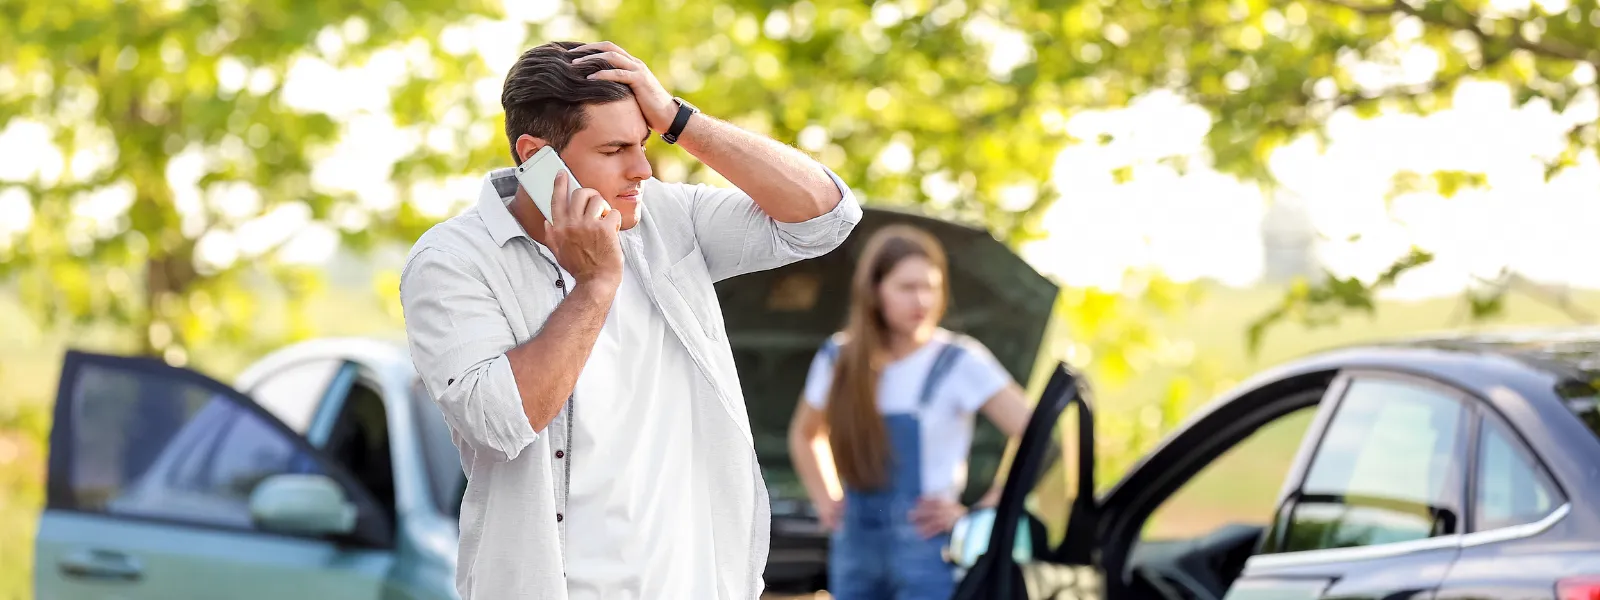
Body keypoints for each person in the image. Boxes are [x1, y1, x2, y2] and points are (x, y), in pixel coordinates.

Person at [399, 40, 861, 600]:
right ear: (534, 155)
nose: (642, 169)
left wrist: (677, 119)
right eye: (616, 148)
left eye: (643, 143)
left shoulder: (667, 217)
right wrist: (594, 286)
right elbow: (499, 425)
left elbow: (826, 217)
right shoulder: (452, 261)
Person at [787, 224, 1032, 599]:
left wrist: (981, 510)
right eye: (907, 287)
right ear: (875, 291)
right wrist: (826, 500)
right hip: (854, 549)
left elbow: (1038, 438)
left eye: (930, 287)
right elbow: (805, 435)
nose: (921, 300)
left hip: (929, 550)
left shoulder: (959, 361)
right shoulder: (839, 358)